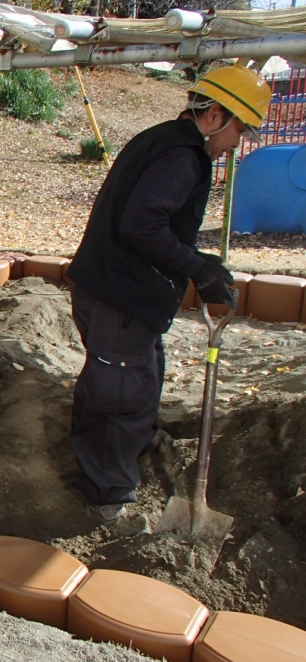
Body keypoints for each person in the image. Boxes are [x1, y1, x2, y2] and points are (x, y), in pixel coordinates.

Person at [64, 65, 271, 523]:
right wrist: (196, 266)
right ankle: (108, 497)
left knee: (133, 376)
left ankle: (120, 459)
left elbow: (152, 221)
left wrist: (197, 264)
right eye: (241, 128)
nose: (239, 142)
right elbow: (142, 225)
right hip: (119, 295)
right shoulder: (183, 156)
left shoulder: (163, 140)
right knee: (120, 392)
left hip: (120, 293)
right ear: (215, 115)